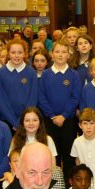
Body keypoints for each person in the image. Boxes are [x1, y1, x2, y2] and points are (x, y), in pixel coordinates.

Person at [38, 40, 82, 175]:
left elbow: (75, 97)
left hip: (68, 120)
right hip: (49, 120)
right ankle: (53, 182)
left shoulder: (74, 75)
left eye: (64, 52)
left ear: (69, 55)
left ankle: (69, 182)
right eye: (57, 51)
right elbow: (41, 97)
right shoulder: (45, 75)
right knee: (52, 152)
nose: (60, 55)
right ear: (51, 54)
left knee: (68, 152)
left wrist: (64, 115)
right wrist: (52, 115)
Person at [0, 38, 39, 129]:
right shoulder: (0, 73)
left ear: (25, 54)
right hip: (5, 119)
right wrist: (14, 122)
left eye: (20, 52)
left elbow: (33, 97)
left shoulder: (31, 72)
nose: (16, 55)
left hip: (26, 120)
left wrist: (22, 120)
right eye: (13, 52)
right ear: (8, 54)